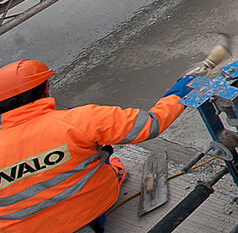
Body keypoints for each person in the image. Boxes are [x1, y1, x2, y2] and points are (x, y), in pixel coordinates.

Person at [0, 59, 191, 231]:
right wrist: (179, 91)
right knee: (101, 151)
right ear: (46, 88)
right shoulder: (79, 121)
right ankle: (111, 177)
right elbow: (152, 124)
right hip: (85, 216)